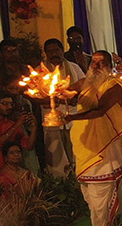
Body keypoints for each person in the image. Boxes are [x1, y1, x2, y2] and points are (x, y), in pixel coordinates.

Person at [67, 51, 122, 226]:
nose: (96, 66)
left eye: (101, 63)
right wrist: (46, 92)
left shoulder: (114, 87)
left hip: (106, 149)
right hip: (85, 148)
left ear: (109, 66)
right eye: (93, 62)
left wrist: (70, 117)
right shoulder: (85, 83)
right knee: (91, 196)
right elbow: (65, 92)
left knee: (104, 192)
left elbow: (100, 110)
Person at [37, 38, 86, 177]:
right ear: (46, 53)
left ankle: (79, 179)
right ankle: (60, 183)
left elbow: (84, 84)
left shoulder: (74, 67)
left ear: (62, 50)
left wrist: (74, 94)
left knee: (75, 151)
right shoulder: (40, 71)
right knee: (56, 156)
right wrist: (52, 98)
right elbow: (35, 95)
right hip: (51, 120)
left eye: (56, 50)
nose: (54, 54)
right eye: (50, 51)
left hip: (72, 117)